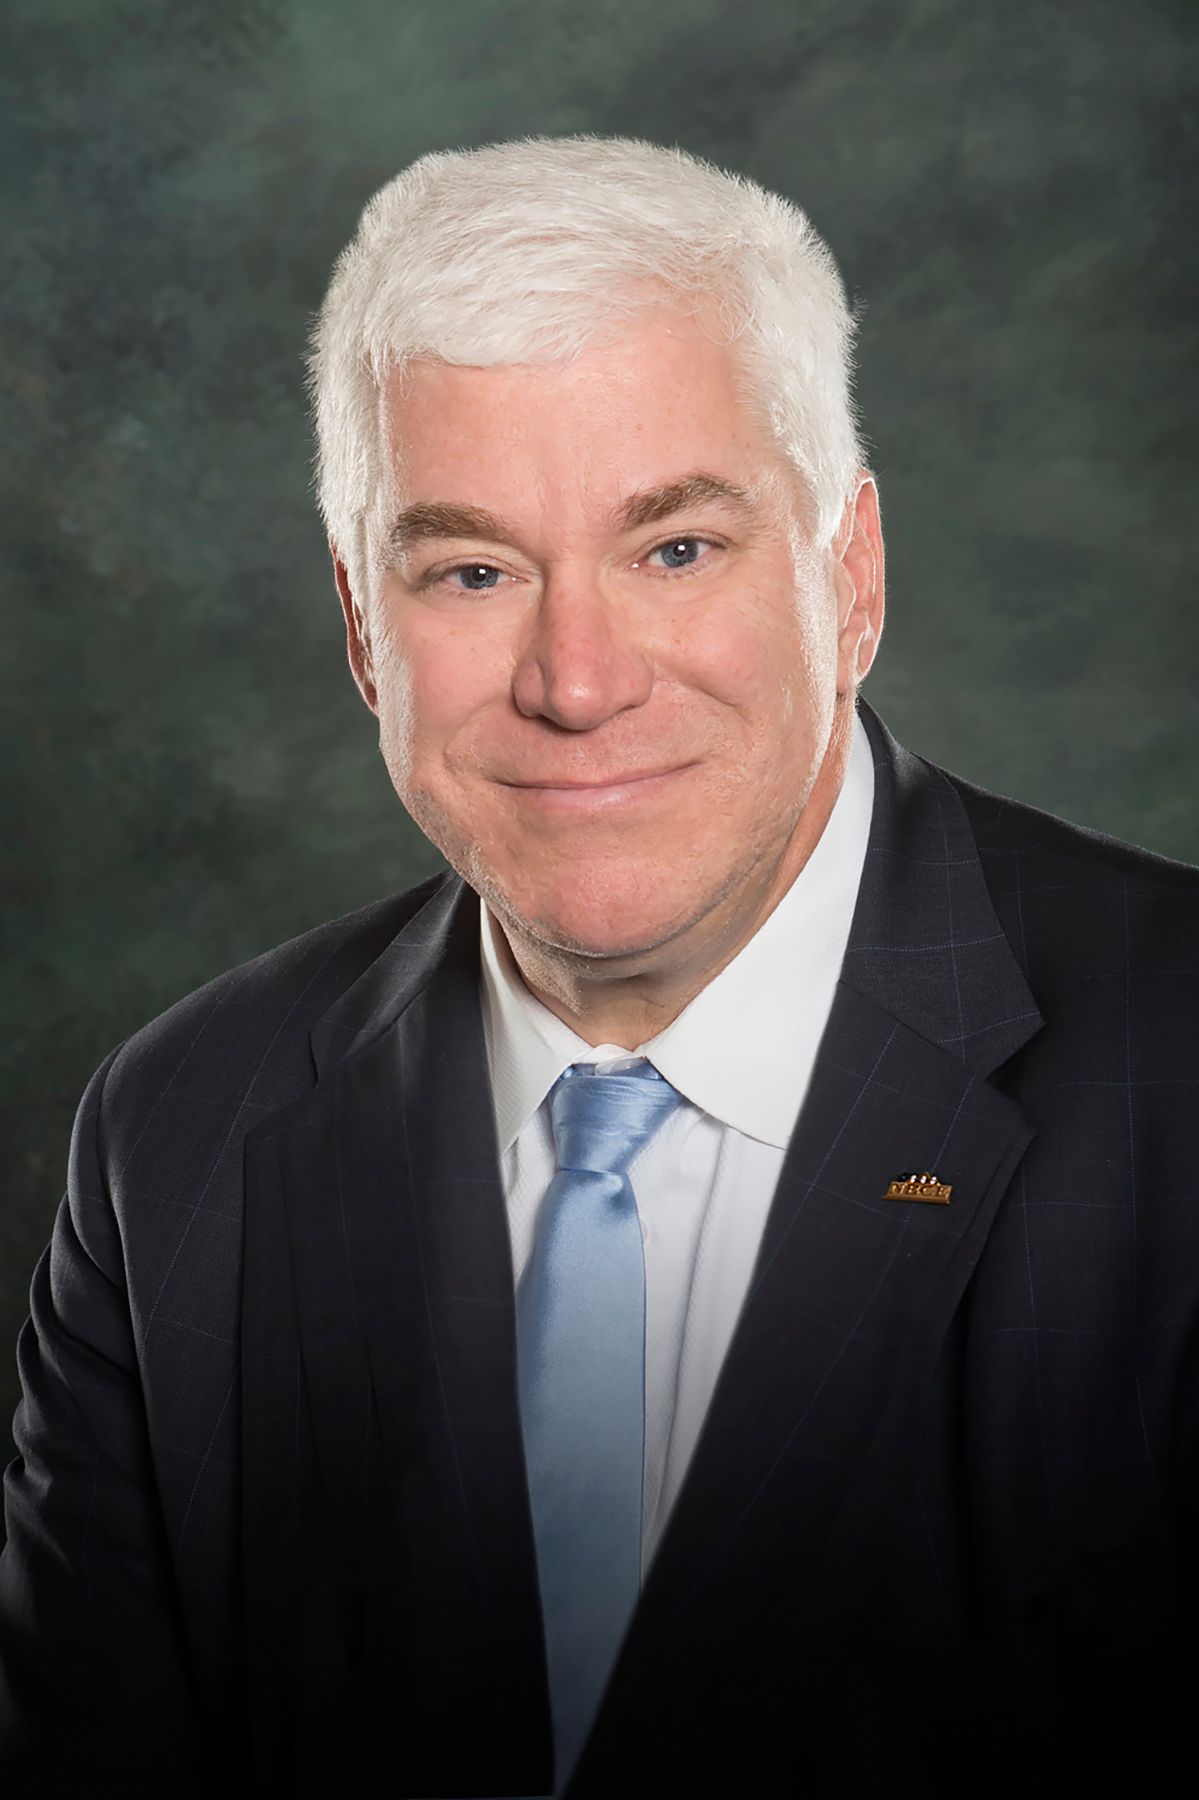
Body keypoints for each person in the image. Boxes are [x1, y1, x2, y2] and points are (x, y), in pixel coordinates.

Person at [1, 134, 1196, 1800]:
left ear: (850, 576)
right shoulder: (179, 1141)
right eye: (473, 572)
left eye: (676, 548)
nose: (576, 679)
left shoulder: (1179, 1072)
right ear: (363, 628)